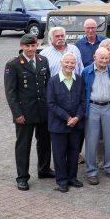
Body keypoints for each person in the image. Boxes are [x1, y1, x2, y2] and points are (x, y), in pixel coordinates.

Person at [4, 34, 53, 191]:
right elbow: (10, 93)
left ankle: (44, 169)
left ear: (37, 44)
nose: (31, 49)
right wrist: (17, 114)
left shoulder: (42, 60)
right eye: (27, 46)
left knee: (45, 142)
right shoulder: (13, 64)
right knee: (23, 145)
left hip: (43, 110)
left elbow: (47, 85)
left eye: (33, 46)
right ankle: (22, 177)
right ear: (22, 46)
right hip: (25, 113)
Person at [46, 53, 86, 193]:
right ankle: (62, 180)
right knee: (59, 154)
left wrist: (77, 118)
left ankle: (72, 177)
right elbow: (51, 104)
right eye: (67, 62)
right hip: (58, 125)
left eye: (72, 63)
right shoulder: (53, 81)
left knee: (74, 152)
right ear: (61, 63)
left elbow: (83, 101)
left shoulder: (80, 80)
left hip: (76, 124)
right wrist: (67, 118)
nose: (70, 65)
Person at [82, 48, 110, 185]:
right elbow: (83, 90)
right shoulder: (86, 71)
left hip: (109, 106)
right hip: (92, 107)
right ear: (94, 57)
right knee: (91, 140)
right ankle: (91, 171)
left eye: (107, 58)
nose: (104, 61)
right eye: (101, 58)